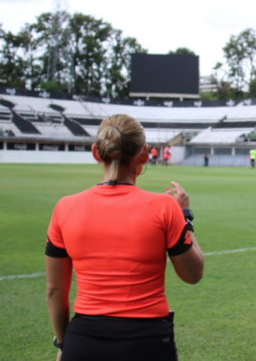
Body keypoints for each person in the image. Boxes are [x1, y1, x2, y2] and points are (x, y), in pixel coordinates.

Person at [45, 114, 204, 361]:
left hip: (83, 341)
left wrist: (64, 345)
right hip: (148, 341)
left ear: (96, 153)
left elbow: (55, 291)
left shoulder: (65, 208)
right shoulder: (164, 206)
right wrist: (185, 216)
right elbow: (193, 275)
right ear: (144, 154)